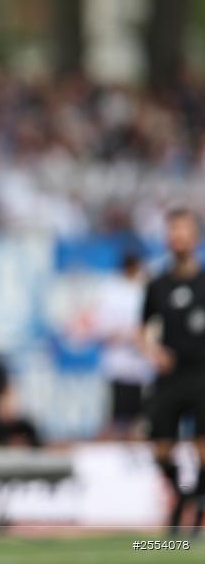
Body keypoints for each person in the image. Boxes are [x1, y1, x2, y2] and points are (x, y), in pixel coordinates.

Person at [139, 207, 205, 533]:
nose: (178, 237)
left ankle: (197, 503)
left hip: (202, 374)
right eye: (173, 230)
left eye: (184, 230)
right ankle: (183, 496)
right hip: (170, 376)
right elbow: (142, 329)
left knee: (202, 445)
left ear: (195, 236)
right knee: (160, 448)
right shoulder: (158, 285)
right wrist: (153, 352)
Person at [92, 253, 153, 439]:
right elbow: (103, 329)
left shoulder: (144, 289)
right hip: (119, 364)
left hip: (140, 366)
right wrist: (129, 334)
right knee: (118, 418)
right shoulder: (111, 291)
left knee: (140, 419)